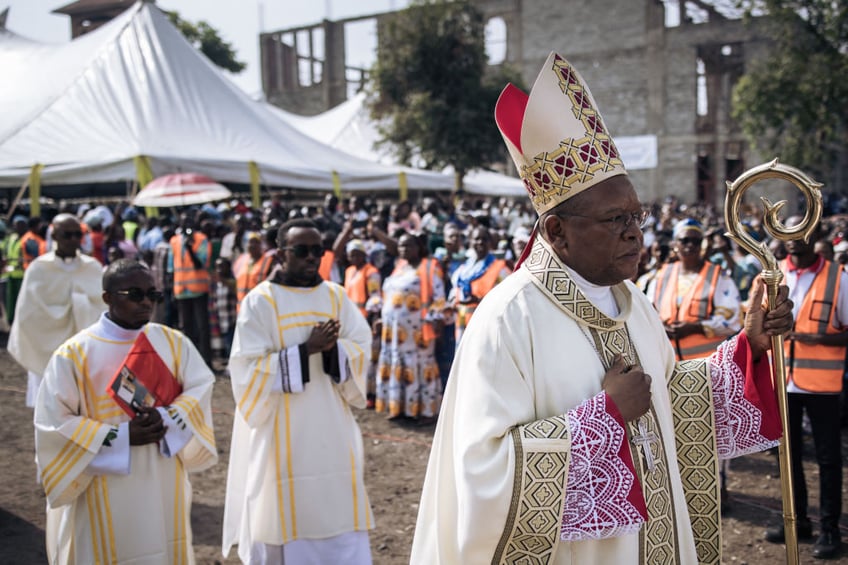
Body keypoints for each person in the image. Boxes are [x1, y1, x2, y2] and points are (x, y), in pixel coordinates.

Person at [410, 52, 794, 565]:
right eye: (615, 219)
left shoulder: (633, 302)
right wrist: (605, 417)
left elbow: (670, 401)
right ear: (557, 232)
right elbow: (483, 474)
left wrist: (750, 349)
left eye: (637, 214)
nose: (636, 232)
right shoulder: (509, 318)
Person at [34, 259, 217, 564]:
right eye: (134, 294)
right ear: (107, 297)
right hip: (104, 483)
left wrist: (167, 417)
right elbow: (53, 424)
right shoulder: (74, 353)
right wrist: (119, 437)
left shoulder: (172, 343)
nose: (146, 302)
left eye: (152, 295)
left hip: (162, 474)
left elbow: (201, 388)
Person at [223, 218, 375, 564]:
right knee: (278, 512)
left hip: (332, 427)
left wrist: (335, 350)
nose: (311, 258)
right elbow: (246, 369)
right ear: (280, 254)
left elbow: (361, 344)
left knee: (338, 505)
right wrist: (305, 351)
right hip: (280, 431)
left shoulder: (335, 296)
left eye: (316, 251)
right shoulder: (260, 302)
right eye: (301, 251)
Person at [763, 218, 846, 559]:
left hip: (821, 385)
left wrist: (815, 338)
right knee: (787, 456)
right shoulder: (772, 275)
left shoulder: (838, 279)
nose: (794, 241)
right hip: (782, 382)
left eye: (802, 234)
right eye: (788, 234)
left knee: (828, 459)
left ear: (816, 236)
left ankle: (829, 528)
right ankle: (795, 522)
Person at [8, 213, 106, 407]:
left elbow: (103, 311)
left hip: (84, 355)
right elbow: (28, 316)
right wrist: (72, 308)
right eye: (67, 235)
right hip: (47, 351)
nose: (73, 240)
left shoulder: (92, 268)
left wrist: (79, 305)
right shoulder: (39, 269)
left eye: (78, 234)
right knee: (50, 410)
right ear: (54, 235)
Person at [374, 232, 446, 422]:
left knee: (421, 367)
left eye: (408, 246)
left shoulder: (429, 267)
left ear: (419, 248)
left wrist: (435, 319)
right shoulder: (399, 267)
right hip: (394, 331)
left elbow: (439, 299)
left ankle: (426, 411)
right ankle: (400, 407)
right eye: (401, 246)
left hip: (418, 331)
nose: (403, 249)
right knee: (399, 365)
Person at [647, 218, 742, 361]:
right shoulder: (662, 275)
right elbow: (648, 313)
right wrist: (661, 328)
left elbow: (733, 321)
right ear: (675, 244)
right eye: (684, 240)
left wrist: (695, 327)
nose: (690, 245)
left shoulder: (718, 276)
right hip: (669, 364)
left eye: (696, 241)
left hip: (707, 365)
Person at [449, 225, 510, 347]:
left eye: (484, 239)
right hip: (462, 323)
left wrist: (478, 301)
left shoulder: (500, 268)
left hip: (485, 324)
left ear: (490, 242)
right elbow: (455, 290)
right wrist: (452, 301)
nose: (480, 242)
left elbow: (507, 298)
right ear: (470, 241)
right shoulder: (464, 267)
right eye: (476, 239)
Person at [168, 213, 213, 365]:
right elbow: (171, 267)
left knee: (202, 327)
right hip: (181, 290)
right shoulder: (174, 241)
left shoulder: (201, 240)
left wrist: (190, 247)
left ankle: (207, 360)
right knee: (187, 328)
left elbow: (201, 264)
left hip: (198, 289)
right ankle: (191, 362)